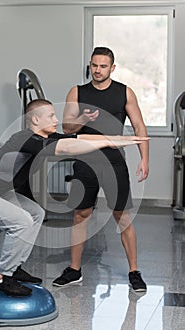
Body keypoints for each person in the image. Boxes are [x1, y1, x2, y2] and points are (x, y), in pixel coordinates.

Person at [0, 98, 148, 297]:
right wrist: (108, 142)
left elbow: (77, 140)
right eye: (51, 116)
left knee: (36, 213)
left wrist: (116, 139)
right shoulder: (25, 139)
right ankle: (3, 277)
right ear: (36, 120)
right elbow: (67, 148)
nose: (56, 119)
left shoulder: (44, 137)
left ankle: (15, 267)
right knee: (21, 222)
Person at [52, 47, 149, 292]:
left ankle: (134, 272)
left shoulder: (124, 92)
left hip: (114, 161)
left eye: (103, 66)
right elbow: (66, 126)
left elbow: (139, 126)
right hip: (84, 160)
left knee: (122, 216)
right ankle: (74, 270)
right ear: (90, 65)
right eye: (94, 65)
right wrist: (84, 118)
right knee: (80, 215)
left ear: (112, 68)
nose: (98, 70)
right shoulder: (78, 91)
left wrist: (144, 160)